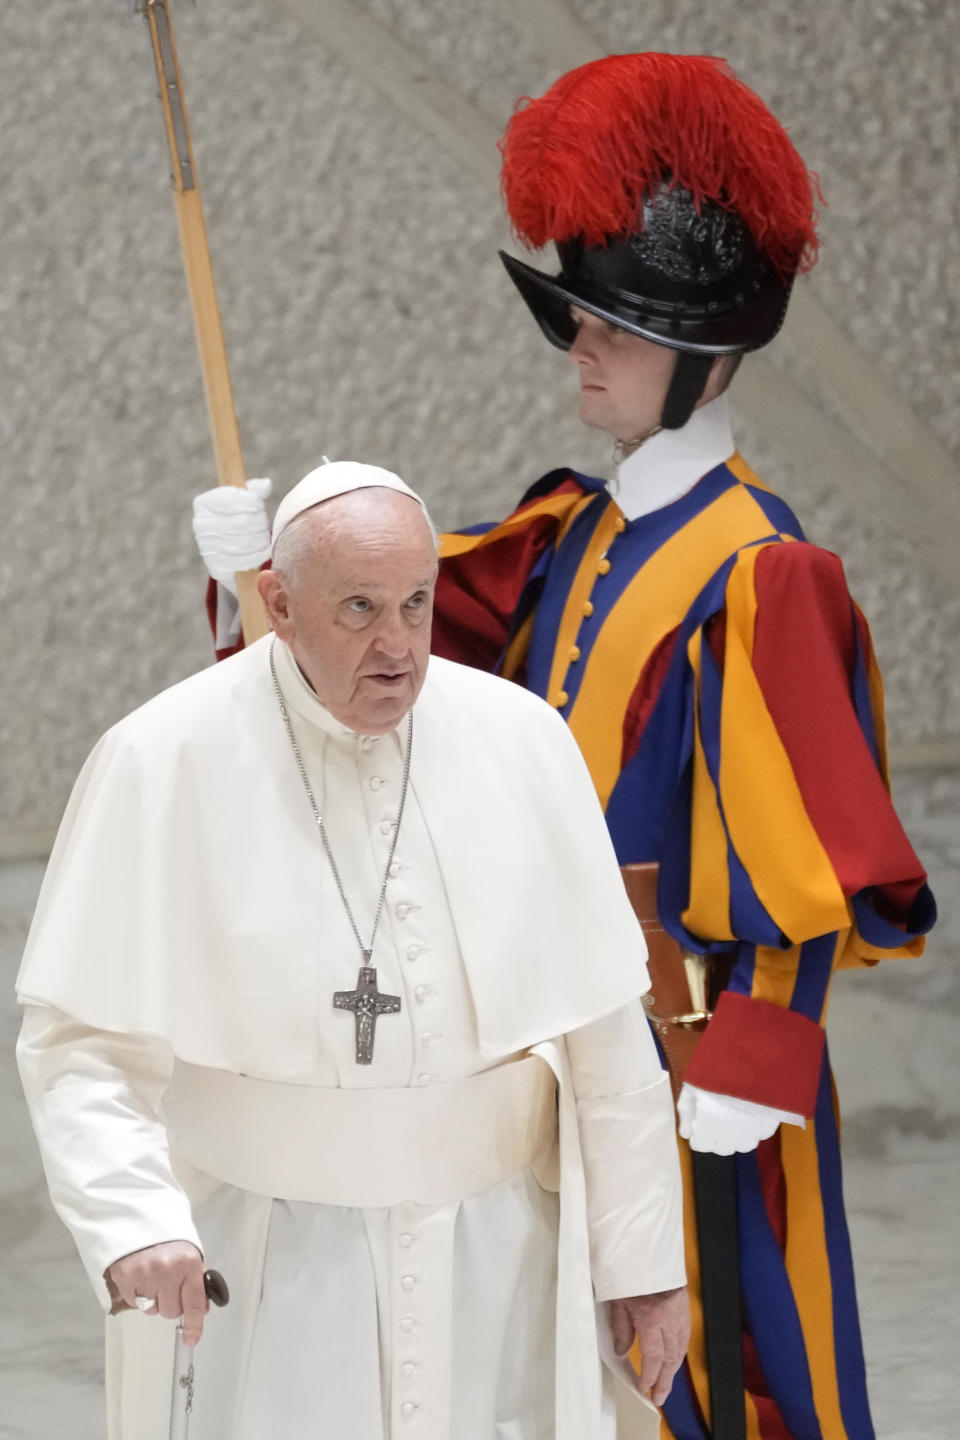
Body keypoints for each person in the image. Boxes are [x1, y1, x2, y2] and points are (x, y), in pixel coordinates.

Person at [192, 54, 936, 1440]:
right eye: (577, 316)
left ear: (707, 352)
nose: (581, 346)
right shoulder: (566, 541)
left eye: (616, 324)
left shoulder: (766, 573)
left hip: (692, 1052)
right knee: (569, 1372)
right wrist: (274, 585)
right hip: (557, 1043)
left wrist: (756, 1056)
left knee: (737, 1367)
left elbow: (811, 856)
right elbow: (382, 680)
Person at [17, 462, 689, 1440]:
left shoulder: (522, 740)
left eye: (416, 605)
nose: (398, 646)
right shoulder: (162, 759)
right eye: (361, 608)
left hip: (504, 1257)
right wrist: (134, 1226)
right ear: (279, 604)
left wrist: (642, 1263)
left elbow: (604, 1034)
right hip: (274, 1267)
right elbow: (82, 1042)